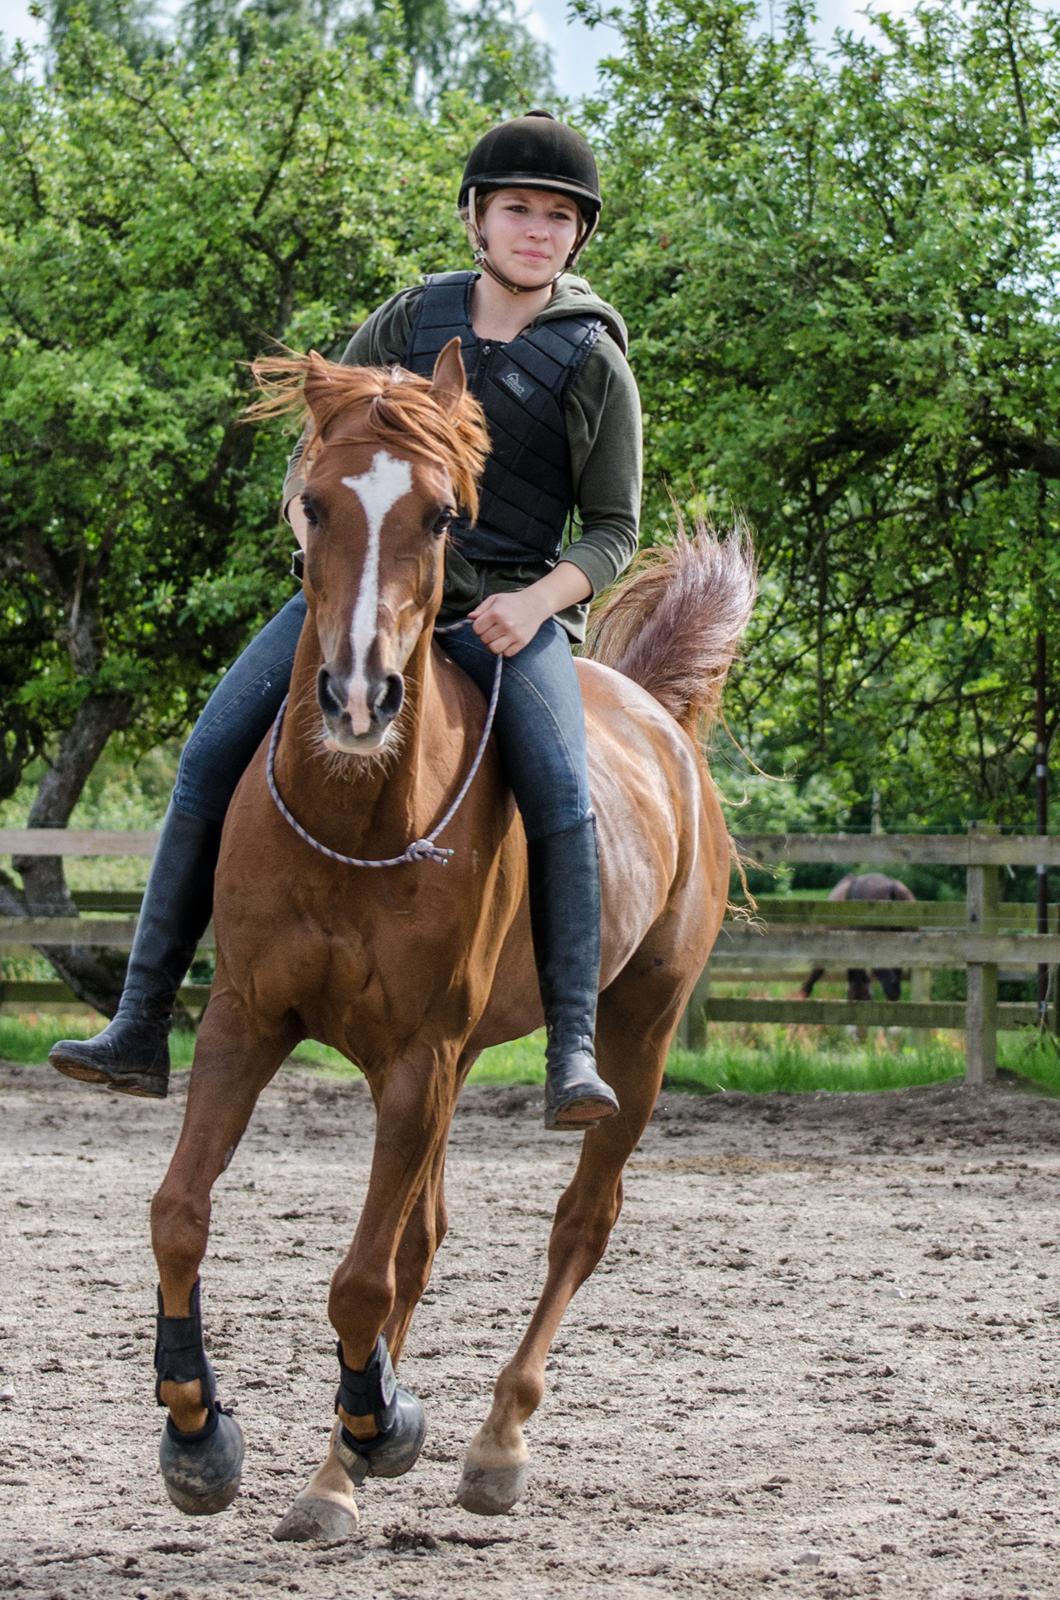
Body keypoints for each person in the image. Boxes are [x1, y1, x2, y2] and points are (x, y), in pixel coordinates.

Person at [49, 110, 643, 1131]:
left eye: (557, 217)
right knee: (207, 755)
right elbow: (313, 454)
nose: (536, 231)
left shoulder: (593, 359)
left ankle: (573, 1046)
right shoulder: (408, 320)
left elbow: (615, 530)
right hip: (363, 594)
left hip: (504, 611)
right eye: (516, 211)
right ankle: (139, 1020)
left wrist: (537, 602)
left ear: (577, 235)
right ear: (475, 219)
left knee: (560, 794)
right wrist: (311, 539)